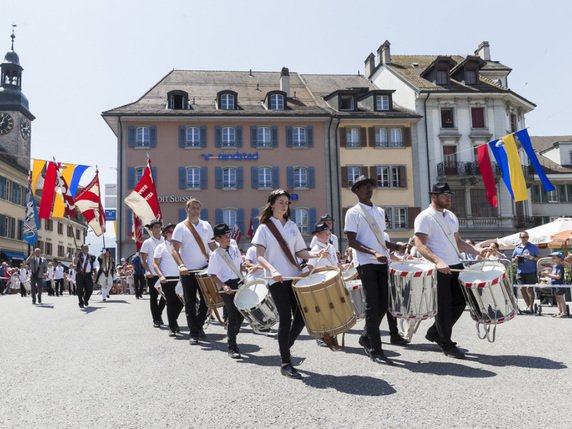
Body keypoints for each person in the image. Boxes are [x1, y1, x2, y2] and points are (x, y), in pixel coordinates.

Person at [252, 189, 328, 379]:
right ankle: (286, 363)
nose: (284, 205)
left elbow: (301, 252)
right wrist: (273, 270)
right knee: (285, 319)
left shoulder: (293, 226)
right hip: (276, 280)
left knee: (302, 317)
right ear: (272, 204)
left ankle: (285, 346)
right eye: (280, 202)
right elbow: (260, 256)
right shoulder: (264, 228)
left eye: (286, 202)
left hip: (294, 278)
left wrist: (315, 254)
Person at [414, 182, 484, 359]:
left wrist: (476, 251)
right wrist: (438, 261)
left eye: (449, 194)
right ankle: (446, 343)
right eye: (444, 194)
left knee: (461, 302)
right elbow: (420, 245)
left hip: (456, 265)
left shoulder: (451, 216)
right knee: (443, 307)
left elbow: (458, 242)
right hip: (439, 268)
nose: (448, 197)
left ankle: (435, 332)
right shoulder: (425, 217)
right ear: (434, 196)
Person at [344, 175, 409, 366]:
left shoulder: (380, 211)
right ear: (356, 191)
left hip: (382, 261)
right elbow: (352, 241)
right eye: (363, 187)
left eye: (370, 186)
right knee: (373, 305)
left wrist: (395, 246)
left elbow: (381, 240)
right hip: (365, 263)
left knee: (383, 305)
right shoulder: (353, 212)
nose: (368, 189)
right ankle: (375, 348)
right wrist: (373, 253)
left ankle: (366, 336)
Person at [171, 198, 217, 345]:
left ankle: (198, 326)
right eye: (193, 208)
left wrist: (223, 256)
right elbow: (174, 250)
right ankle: (193, 333)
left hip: (204, 269)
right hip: (188, 272)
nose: (195, 210)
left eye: (198, 208)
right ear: (187, 209)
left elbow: (212, 246)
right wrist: (181, 266)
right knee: (190, 303)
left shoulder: (206, 226)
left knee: (206, 301)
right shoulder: (180, 227)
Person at [207, 223, 247, 358]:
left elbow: (240, 263)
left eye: (228, 235)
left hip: (238, 281)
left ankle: (231, 335)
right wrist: (223, 286)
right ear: (217, 239)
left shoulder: (235, 247)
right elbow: (212, 274)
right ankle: (232, 347)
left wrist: (245, 268)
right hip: (226, 286)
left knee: (242, 313)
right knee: (233, 314)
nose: (228, 237)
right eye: (224, 236)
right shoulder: (215, 255)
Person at [153, 223, 184, 337]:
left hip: (181, 278)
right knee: (171, 302)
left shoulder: (180, 246)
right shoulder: (160, 247)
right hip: (167, 279)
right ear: (166, 234)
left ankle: (173, 321)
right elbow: (155, 264)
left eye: (175, 231)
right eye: (171, 231)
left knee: (181, 303)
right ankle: (172, 326)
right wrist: (161, 276)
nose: (173, 234)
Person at [141, 220, 167, 327]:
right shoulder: (147, 242)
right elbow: (143, 260)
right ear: (151, 229)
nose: (158, 229)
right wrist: (147, 270)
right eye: (155, 227)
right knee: (153, 297)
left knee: (165, 297)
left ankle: (158, 314)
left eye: (159, 227)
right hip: (152, 273)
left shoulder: (165, 241)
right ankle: (156, 319)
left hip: (164, 273)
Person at [512, 231, 540, 313]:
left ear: (528, 237)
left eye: (526, 237)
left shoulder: (533, 247)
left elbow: (539, 258)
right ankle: (528, 306)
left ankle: (531, 307)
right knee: (522, 289)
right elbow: (512, 260)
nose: (525, 239)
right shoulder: (517, 248)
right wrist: (516, 259)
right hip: (520, 271)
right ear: (520, 238)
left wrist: (531, 257)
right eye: (523, 237)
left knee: (529, 289)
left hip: (531, 271)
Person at [543, 252, 568, 318]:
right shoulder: (554, 267)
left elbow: (558, 277)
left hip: (559, 285)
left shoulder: (560, 266)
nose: (553, 258)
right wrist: (548, 273)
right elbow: (553, 275)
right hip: (554, 284)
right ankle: (560, 312)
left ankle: (564, 312)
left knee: (560, 298)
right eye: (552, 257)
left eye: (555, 257)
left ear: (560, 259)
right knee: (557, 299)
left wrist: (548, 275)